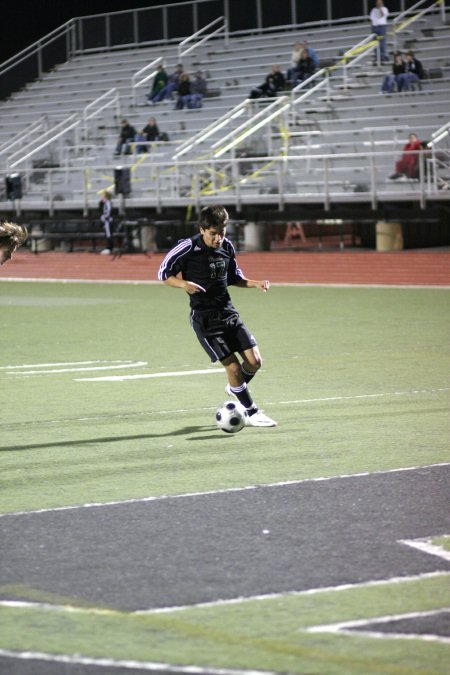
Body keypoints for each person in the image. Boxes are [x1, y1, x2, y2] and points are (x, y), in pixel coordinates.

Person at [158, 204, 277, 427]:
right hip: (205, 319)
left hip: (229, 313)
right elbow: (163, 273)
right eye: (213, 234)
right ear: (202, 229)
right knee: (232, 367)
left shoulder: (227, 246)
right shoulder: (186, 247)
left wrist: (255, 283)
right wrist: (183, 284)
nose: (218, 239)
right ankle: (251, 412)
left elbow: (234, 277)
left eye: (222, 233)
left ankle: (235, 387)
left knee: (255, 362)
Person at [99, 190, 113, 255]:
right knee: (107, 234)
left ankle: (109, 248)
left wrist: (104, 217)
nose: (101, 197)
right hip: (106, 221)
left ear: (106, 197)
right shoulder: (104, 203)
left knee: (108, 234)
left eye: (102, 196)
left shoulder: (108, 203)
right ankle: (108, 248)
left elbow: (109, 211)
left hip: (108, 221)